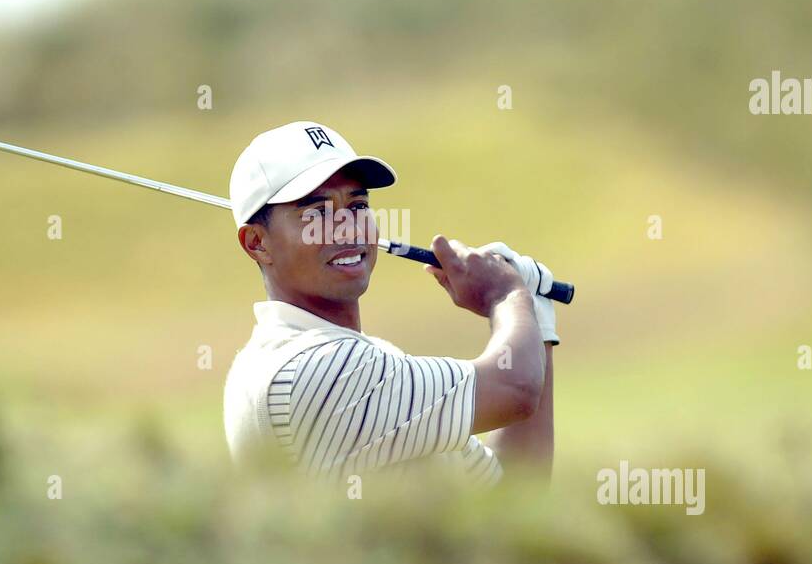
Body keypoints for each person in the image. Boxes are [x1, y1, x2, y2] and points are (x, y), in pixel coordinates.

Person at [222, 122, 560, 489]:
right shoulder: (312, 369)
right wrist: (507, 296)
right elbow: (516, 389)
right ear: (257, 242)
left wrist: (536, 316)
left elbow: (516, 494)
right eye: (316, 213)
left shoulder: (365, 358)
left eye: (357, 205)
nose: (347, 227)